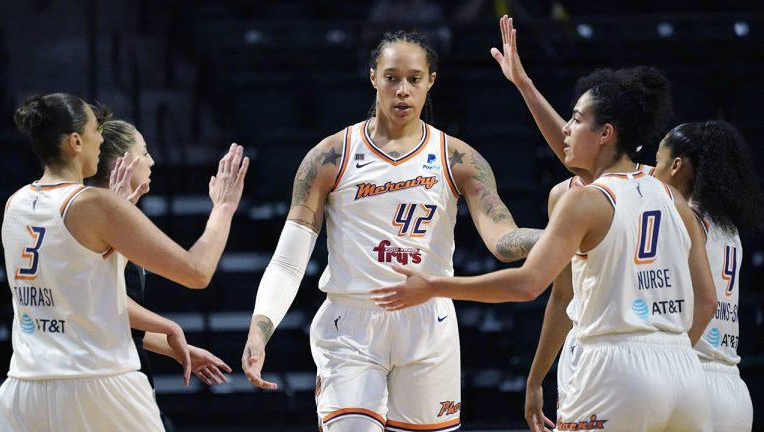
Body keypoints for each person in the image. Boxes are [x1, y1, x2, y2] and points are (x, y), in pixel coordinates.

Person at [370, 64, 719, 430]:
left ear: (605, 133)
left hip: (616, 367)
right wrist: (525, 86)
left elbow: (527, 284)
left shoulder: (584, 201)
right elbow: (706, 297)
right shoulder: (672, 197)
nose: (566, 128)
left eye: (576, 119)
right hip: (685, 373)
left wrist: (435, 286)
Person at [242, 31, 541, 432]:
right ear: (372, 78)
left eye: (414, 79)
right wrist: (261, 329)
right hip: (351, 322)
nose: (403, 90)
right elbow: (289, 259)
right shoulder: (330, 156)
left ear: (431, 81)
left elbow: (503, 241)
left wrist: (559, 236)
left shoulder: (460, 159)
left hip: (428, 323)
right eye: (391, 77)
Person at [491, 16, 761, 431]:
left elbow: (590, 171)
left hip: (654, 366)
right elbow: (583, 160)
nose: (648, 168)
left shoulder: (658, 200)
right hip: (712, 381)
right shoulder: (714, 221)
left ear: (676, 166)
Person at [0, 93, 248, 431]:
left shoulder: (16, 203)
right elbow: (197, 272)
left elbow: (82, 297)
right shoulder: (94, 204)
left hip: (23, 389)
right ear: (75, 142)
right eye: (93, 131)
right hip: (96, 384)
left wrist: (164, 329)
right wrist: (223, 208)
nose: (101, 138)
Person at [86, 115, 233, 430]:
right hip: (106, 376)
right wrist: (223, 207)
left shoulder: (116, 211)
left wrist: (175, 347)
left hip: (114, 369)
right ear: (121, 163)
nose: (152, 160)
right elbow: (197, 273)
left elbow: (115, 306)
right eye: (145, 151)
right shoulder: (96, 215)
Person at [652, 121, 762, 431]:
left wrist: (671, 365)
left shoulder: (683, 219)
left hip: (695, 379)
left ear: (675, 166)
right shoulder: (729, 228)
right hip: (733, 388)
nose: (651, 173)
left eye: (657, 162)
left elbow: (707, 303)